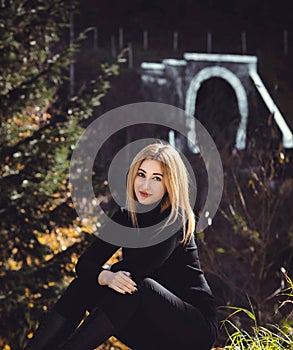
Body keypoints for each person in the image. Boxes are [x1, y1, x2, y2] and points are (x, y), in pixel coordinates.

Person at [24, 141, 218, 350]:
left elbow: (137, 271)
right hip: (151, 329)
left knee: (138, 285)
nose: (145, 186)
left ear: (170, 184)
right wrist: (106, 276)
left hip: (192, 330)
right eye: (141, 175)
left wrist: (107, 274)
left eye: (156, 179)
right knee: (83, 286)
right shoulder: (128, 216)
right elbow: (84, 265)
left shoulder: (175, 220)